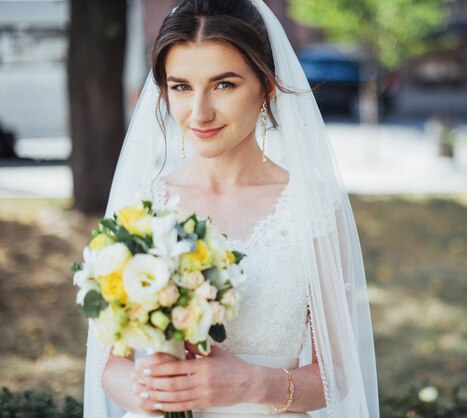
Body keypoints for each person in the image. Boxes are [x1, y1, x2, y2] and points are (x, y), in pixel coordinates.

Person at [82, 1, 379, 417]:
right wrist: (149, 394)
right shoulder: (143, 207)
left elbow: (340, 373)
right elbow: (110, 364)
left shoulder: (309, 207)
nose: (199, 112)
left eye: (224, 85)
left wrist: (250, 383)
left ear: (267, 86)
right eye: (181, 86)